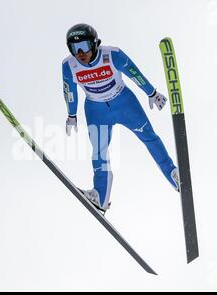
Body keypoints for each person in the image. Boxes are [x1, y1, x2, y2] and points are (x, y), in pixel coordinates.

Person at [62, 23, 179, 213]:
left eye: (83, 46)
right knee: (99, 151)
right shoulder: (69, 65)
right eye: (74, 48)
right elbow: (69, 92)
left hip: (124, 103)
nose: (80, 53)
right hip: (96, 109)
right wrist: (71, 114)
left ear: (94, 44)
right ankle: (101, 197)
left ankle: (174, 175)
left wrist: (152, 93)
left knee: (149, 137)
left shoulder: (112, 54)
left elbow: (134, 73)